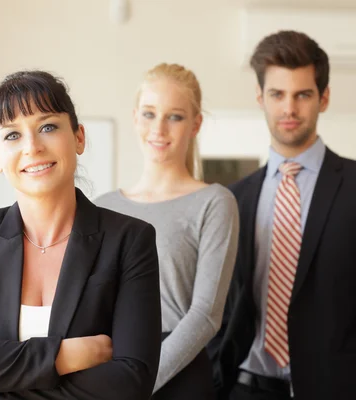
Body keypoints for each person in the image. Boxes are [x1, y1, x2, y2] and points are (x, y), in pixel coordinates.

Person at [0, 70, 162, 400]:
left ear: (78, 137)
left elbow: (131, 381)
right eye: (12, 136)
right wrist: (64, 356)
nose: (32, 147)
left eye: (47, 127)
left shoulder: (130, 240)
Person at [210, 30, 356, 400]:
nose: (289, 108)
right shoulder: (233, 199)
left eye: (302, 94)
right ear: (261, 98)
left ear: (323, 98)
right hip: (245, 388)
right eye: (277, 94)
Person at [94, 63, 239, 399]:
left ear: (195, 124)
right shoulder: (102, 207)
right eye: (149, 114)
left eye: (174, 116)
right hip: (110, 370)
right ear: (135, 118)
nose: (158, 128)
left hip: (177, 377)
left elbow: (205, 315)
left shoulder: (214, 202)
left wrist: (136, 383)